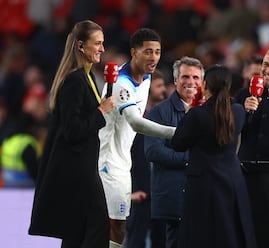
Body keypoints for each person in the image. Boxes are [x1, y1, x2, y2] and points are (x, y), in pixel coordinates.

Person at [28, 20, 115, 248]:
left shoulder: (87, 77)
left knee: (76, 230)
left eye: (103, 44)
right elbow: (71, 131)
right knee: (98, 225)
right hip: (78, 169)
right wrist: (100, 111)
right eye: (97, 43)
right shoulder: (75, 81)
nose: (102, 49)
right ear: (80, 46)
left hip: (83, 165)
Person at [98, 28, 176, 248]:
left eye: (158, 52)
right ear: (134, 52)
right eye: (148, 51)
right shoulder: (121, 84)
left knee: (116, 225)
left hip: (123, 161)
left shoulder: (147, 77)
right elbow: (135, 122)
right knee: (116, 225)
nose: (154, 57)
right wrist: (173, 132)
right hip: (108, 162)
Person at [171, 65, 257, 248]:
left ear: (204, 85)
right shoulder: (239, 112)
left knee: (202, 235)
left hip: (202, 183)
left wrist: (187, 117)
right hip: (232, 181)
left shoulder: (197, 115)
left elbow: (178, 143)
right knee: (230, 233)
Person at [144, 56, 205, 248]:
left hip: (202, 196)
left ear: (202, 83)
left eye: (195, 78)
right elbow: (153, 151)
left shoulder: (210, 112)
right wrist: (191, 159)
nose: (191, 82)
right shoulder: (159, 112)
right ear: (176, 80)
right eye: (185, 76)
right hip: (173, 197)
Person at [125, 69, 167, 248]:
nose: (164, 90)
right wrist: (129, 193)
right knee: (136, 241)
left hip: (159, 193)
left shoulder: (164, 118)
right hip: (139, 195)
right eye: (159, 86)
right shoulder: (133, 121)